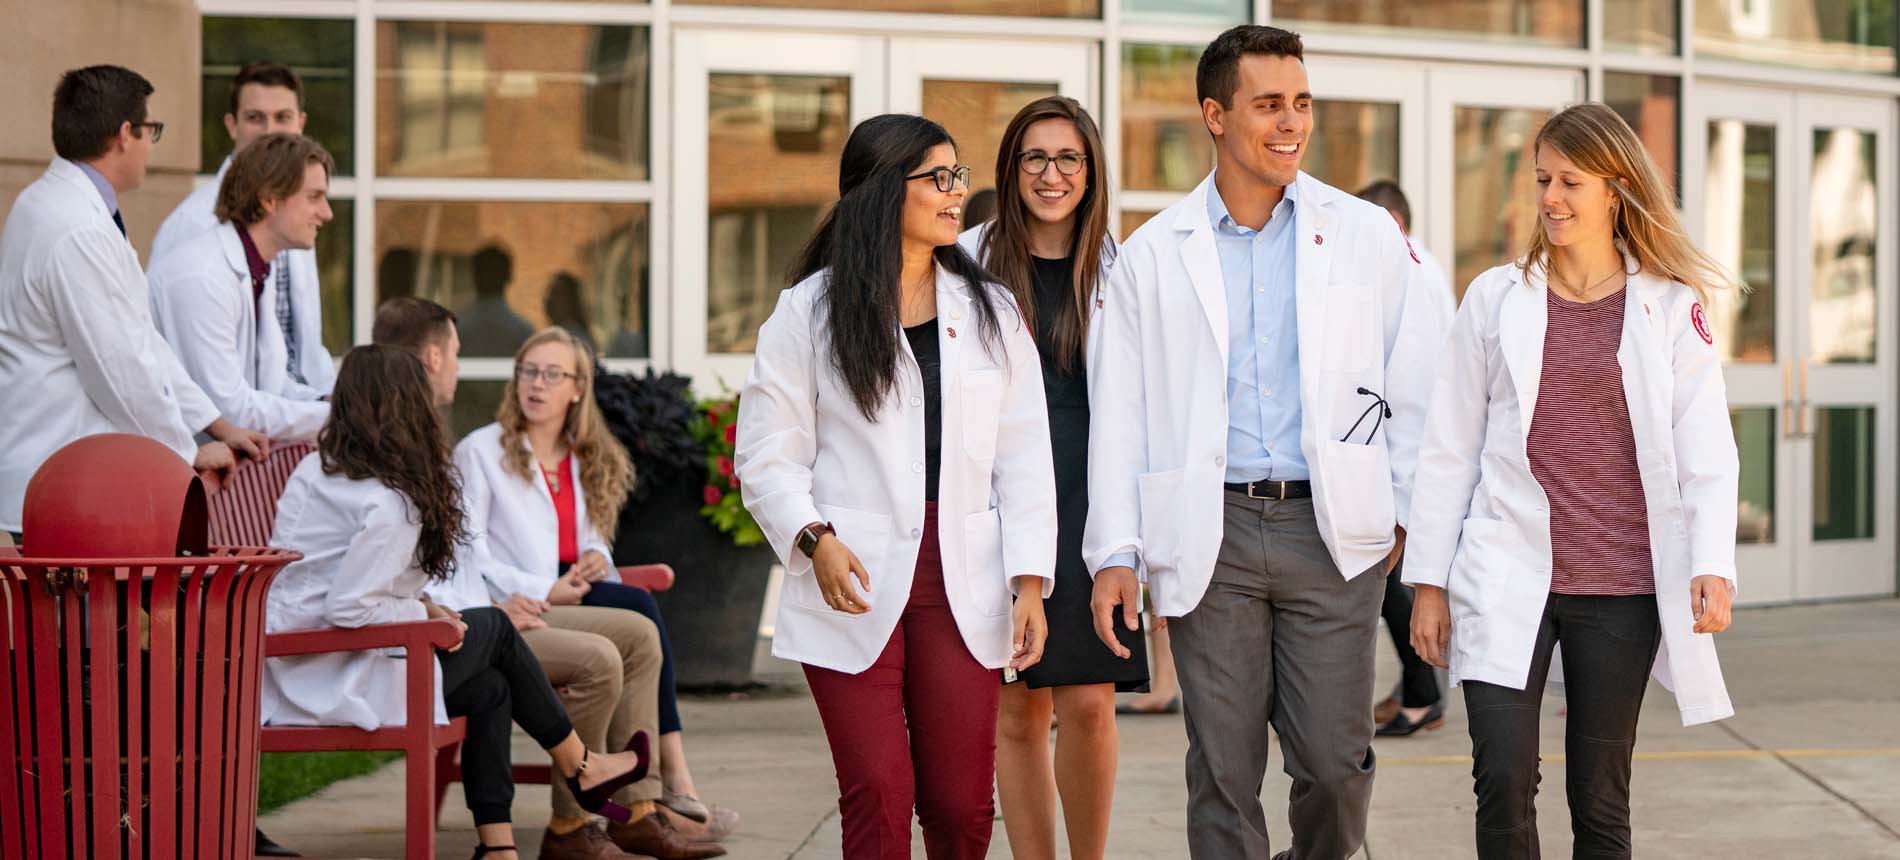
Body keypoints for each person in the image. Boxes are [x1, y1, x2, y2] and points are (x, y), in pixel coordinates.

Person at [1084, 26, 1448, 860]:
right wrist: (1117, 551)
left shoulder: (1363, 235)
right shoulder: (1151, 257)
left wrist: (1403, 516)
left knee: (1333, 766)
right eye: (1269, 105)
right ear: (1215, 115)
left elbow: (1419, 386)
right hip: (1211, 534)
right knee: (1222, 769)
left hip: (1331, 534)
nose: (1292, 123)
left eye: (1302, 103)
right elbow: (1122, 416)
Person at [1405, 102, 1739, 860]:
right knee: (1501, 782)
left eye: (1570, 182)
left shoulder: (1669, 306)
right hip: (1503, 570)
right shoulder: (1494, 298)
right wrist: (1428, 582)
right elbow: (1448, 447)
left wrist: (1712, 564)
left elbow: (1706, 449)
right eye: (1543, 180)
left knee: (1598, 797)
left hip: (1617, 586)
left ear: (1616, 190)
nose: (1550, 198)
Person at [734, 113, 1056, 860]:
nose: (956, 194)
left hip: (961, 575)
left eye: (958, 176)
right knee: (879, 791)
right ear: (883, 193)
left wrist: (1031, 580)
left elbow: (1025, 455)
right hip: (852, 571)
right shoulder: (807, 313)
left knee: (961, 803)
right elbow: (767, 453)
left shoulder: (992, 311)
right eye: (937, 179)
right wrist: (812, 539)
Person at [262, 344, 652, 860]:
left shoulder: (318, 470)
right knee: (494, 628)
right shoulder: (390, 502)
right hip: (338, 671)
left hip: (299, 660)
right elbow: (348, 608)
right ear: (410, 409)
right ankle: (582, 765)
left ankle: (499, 849)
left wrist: (422, 607)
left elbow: (333, 586)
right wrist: (423, 612)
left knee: (491, 686)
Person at [451, 325, 734, 857]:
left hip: (568, 587)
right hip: (508, 601)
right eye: (528, 372)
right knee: (629, 628)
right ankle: (599, 815)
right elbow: (470, 555)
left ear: (577, 388)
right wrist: (545, 589)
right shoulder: (481, 452)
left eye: (552, 374)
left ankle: (641, 808)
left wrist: (595, 561)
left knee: (641, 626)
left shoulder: (581, 453)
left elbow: (594, 537)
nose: (536, 384)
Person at [957, 95, 1140, 860]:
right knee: (1016, 709)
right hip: (1004, 499)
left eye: (1069, 158)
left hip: (1097, 497)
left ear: (1091, 171)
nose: (1052, 174)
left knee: (1092, 703)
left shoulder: (1121, 268)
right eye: (1035, 157)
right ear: (1011, 169)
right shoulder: (966, 261)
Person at [0, 64, 266, 535]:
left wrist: (215, 423)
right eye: (151, 131)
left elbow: (140, 337)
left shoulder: (52, 205)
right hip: (65, 489)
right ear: (126, 133)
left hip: (63, 478)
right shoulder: (76, 227)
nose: (149, 146)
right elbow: (119, 369)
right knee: (98, 612)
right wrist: (185, 452)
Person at [153, 60, 335, 399]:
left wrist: (328, 399)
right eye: (255, 118)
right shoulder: (191, 225)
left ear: (301, 124)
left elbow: (302, 341)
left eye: (283, 117)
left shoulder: (298, 214)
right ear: (231, 125)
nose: (269, 131)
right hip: (232, 426)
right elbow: (184, 368)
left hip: (293, 406)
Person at [1352, 178, 1455, 737]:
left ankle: (1422, 694)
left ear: (1393, 223)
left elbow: (1413, 391)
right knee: (1396, 583)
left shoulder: (1411, 275)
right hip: (1404, 458)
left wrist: (1401, 499)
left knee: (1395, 584)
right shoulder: (1419, 269)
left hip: (1408, 461)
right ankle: (1416, 688)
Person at [149, 132, 334, 442]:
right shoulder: (203, 277)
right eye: (314, 197)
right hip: (174, 472)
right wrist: (337, 418)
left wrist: (324, 403)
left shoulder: (259, 269)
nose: (326, 213)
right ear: (269, 199)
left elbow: (270, 384)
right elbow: (228, 411)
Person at [459, 244, 536, 357]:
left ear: (475, 275)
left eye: (493, 271)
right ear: (508, 276)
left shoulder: (455, 330)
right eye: (486, 271)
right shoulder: (523, 332)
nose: (489, 276)